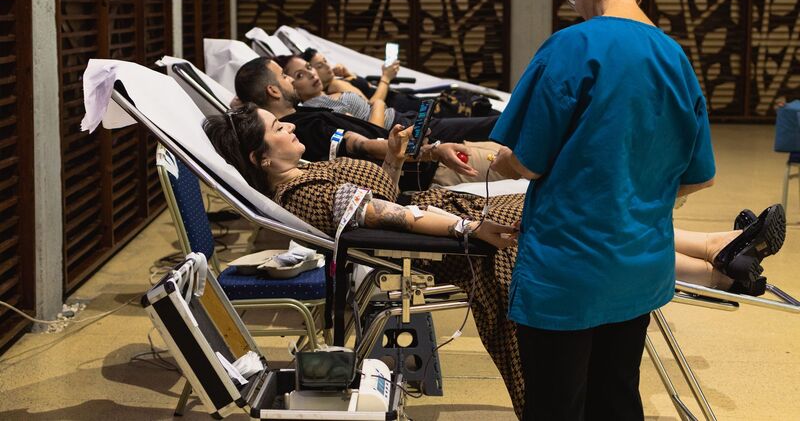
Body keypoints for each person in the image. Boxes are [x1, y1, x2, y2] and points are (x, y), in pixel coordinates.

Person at [203, 104, 785, 419]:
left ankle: (716, 252)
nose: (289, 125)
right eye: (277, 127)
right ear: (260, 155)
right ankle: (715, 256)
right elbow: (386, 219)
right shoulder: (300, 193)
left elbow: (378, 201)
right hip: (451, 238)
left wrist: (400, 156)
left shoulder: (308, 175)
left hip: (445, 217)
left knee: (579, 218)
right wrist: (468, 226)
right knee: (574, 220)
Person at [487, 0, 785, 420]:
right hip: (637, 269)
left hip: (568, 271)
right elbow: (699, 175)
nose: (574, 2)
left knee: (557, 404)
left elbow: (529, 162)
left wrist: (503, 160)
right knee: (617, 395)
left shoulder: (571, 47)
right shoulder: (674, 57)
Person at [234, 56, 505, 189]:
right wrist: (425, 151)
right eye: (284, 75)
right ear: (272, 91)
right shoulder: (304, 128)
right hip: (426, 168)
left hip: (423, 156)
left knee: (504, 149)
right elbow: (359, 145)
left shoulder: (303, 116)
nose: (291, 80)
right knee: (510, 160)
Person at [276, 55, 501, 142]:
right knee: (485, 125)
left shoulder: (332, 92)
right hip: (401, 129)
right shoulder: (316, 110)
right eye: (300, 75)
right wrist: (381, 101)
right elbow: (371, 133)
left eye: (309, 68)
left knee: (482, 122)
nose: (313, 73)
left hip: (405, 117)